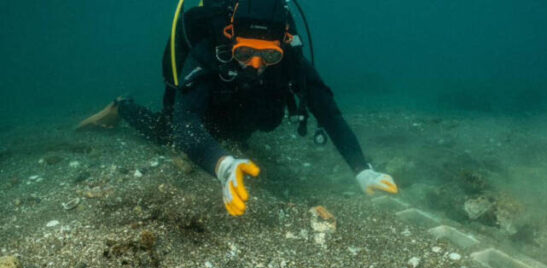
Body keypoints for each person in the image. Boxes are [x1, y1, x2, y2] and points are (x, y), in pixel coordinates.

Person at [77, 0, 398, 216]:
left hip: (241, 113)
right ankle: (122, 106)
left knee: (256, 120)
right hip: (205, 107)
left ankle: (230, 143)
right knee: (167, 134)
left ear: (283, 45)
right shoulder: (208, 50)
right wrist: (222, 165)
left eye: (269, 57)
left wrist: (362, 169)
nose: (256, 66)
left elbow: (329, 112)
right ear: (231, 37)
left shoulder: (291, 60)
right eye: (245, 54)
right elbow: (185, 124)